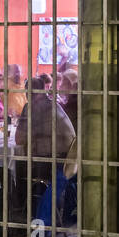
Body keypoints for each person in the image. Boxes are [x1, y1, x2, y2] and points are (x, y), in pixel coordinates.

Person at [14, 77, 76, 215]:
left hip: (53, 162)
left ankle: (19, 209)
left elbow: (19, 139)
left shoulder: (31, 107)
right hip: (70, 159)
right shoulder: (53, 104)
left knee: (19, 165)